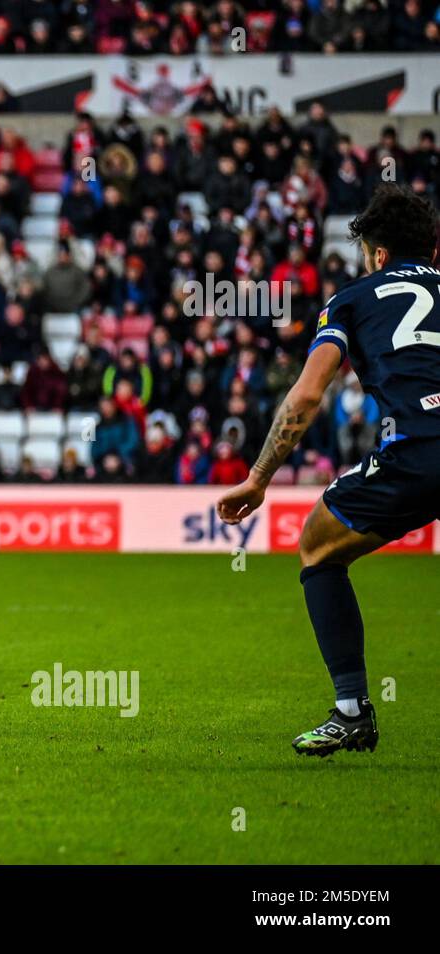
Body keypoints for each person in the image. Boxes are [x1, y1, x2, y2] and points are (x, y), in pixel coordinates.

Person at [217, 185, 440, 756]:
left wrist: (259, 477)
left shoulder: (352, 299)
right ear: (432, 252)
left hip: (417, 451)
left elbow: (307, 395)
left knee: (318, 548)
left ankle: (351, 712)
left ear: (379, 255)